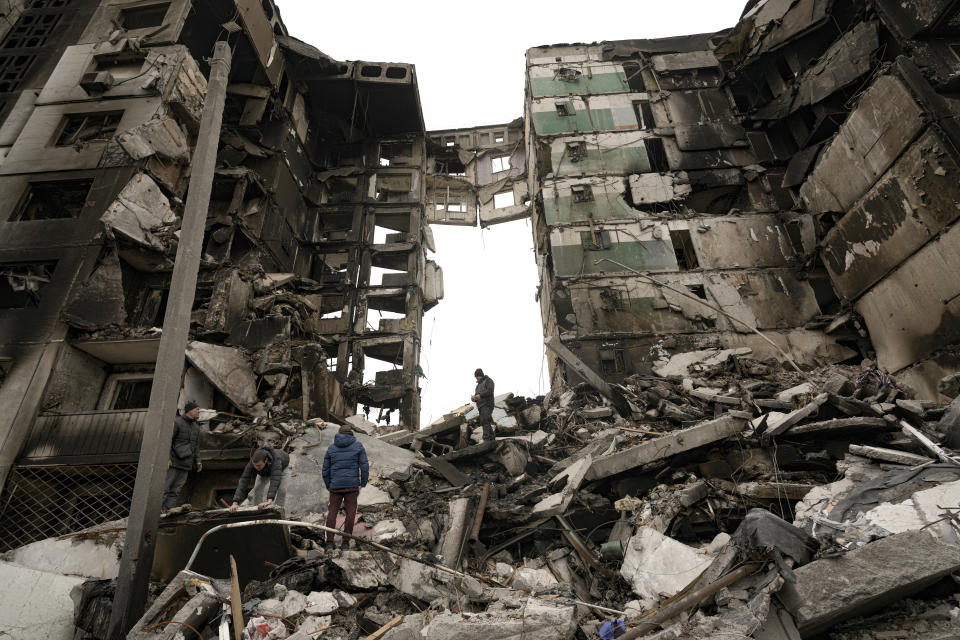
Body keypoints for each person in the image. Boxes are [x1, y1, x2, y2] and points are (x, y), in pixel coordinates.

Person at [322, 424, 368, 550]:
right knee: (351, 513)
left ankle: (329, 543)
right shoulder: (358, 446)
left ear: (338, 434)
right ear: (351, 435)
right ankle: (345, 543)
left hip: (335, 487)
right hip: (352, 487)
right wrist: (362, 483)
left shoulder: (331, 448)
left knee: (332, 512)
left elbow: (325, 470)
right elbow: (364, 466)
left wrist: (329, 485)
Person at [162, 401, 202, 513]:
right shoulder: (177, 423)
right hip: (174, 463)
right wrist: (167, 458)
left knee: (175, 491)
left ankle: (168, 512)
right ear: (190, 410)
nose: (199, 411)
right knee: (165, 488)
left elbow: (196, 446)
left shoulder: (196, 427)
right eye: (197, 409)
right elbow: (168, 441)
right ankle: (156, 512)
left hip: (186, 464)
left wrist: (198, 460)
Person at [229, 446, 291, 511]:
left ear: (266, 460)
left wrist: (269, 501)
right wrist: (235, 502)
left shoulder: (276, 460)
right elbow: (244, 480)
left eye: (259, 465)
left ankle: (278, 512)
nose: (256, 467)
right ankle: (256, 510)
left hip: (282, 468)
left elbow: (275, 481)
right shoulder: (253, 463)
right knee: (257, 489)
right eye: (255, 465)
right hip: (264, 471)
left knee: (282, 490)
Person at [472, 368, 495, 441]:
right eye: (476, 377)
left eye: (477, 376)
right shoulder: (477, 386)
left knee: (485, 420)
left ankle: (486, 439)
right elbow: (477, 395)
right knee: (485, 421)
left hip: (487, 404)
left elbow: (490, 391)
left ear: (480, 375)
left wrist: (480, 395)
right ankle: (492, 438)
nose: (476, 378)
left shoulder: (488, 380)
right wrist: (474, 398)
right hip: (480, 406)